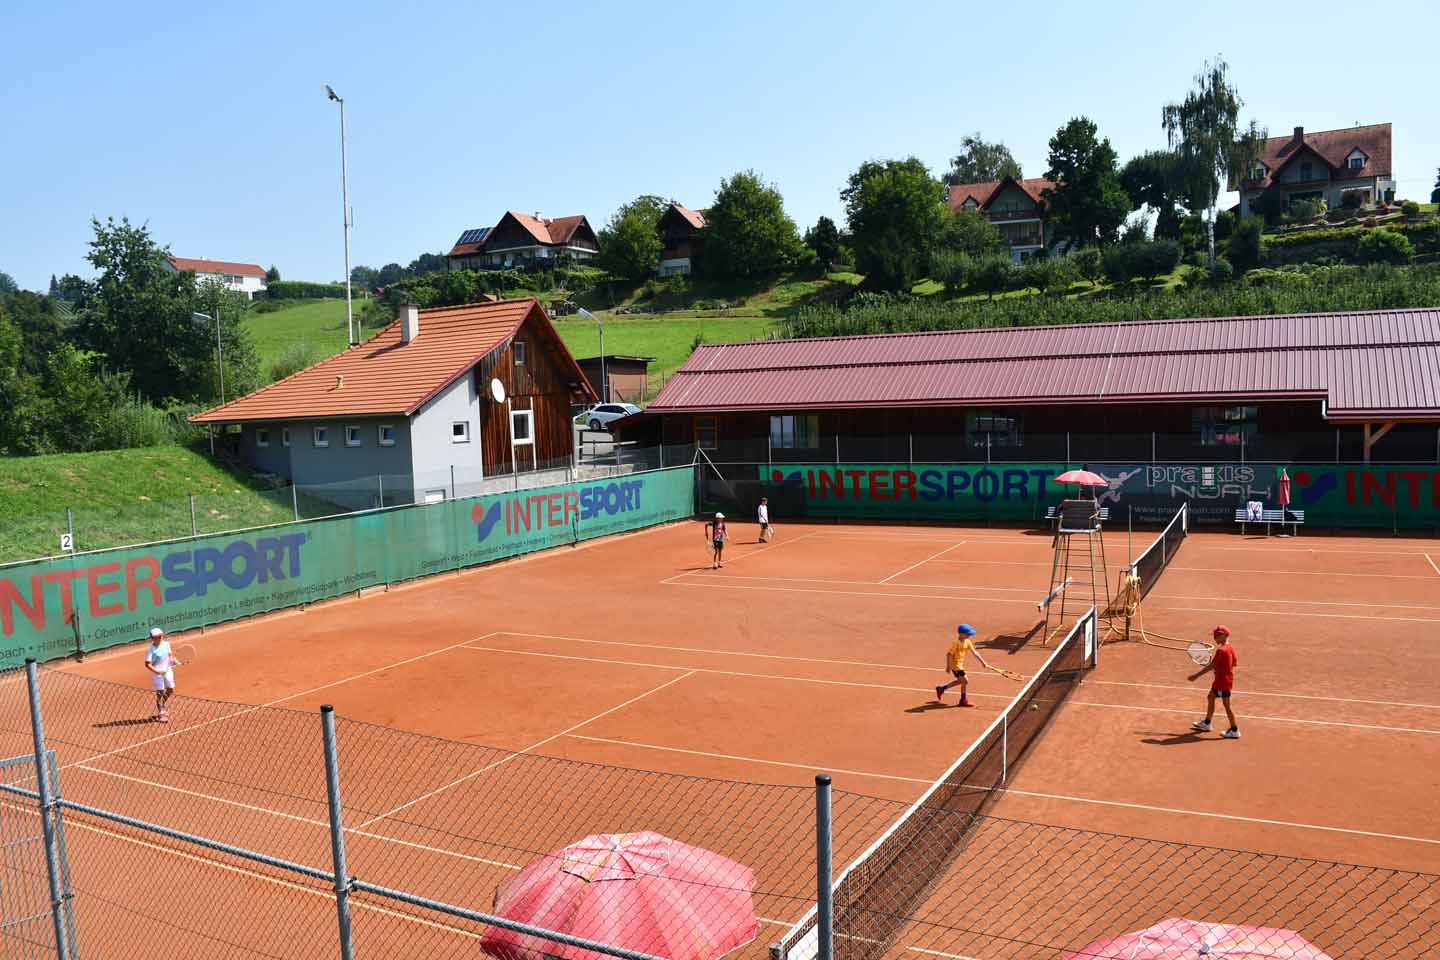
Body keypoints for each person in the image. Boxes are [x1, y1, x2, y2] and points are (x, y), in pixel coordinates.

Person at [1189, 625, 1240, 739]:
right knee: (1211, 697)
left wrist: (1195, 676)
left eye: (1216, 636)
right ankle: (1207, 723)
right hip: (1224, 680)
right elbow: (1234, 664)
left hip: (1222, 682)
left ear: (1223, 636)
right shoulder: (1230, 648)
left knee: (1227, 706)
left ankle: (1234, 730)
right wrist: (1221, 669)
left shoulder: (1221, 650)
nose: (1214, 638)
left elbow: (1211, 666)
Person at [935, 624, 979, 708]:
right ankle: (963, 700)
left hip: (960, 665)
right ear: (961, 634)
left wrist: (983, 662)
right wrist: (948, 667)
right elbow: (949, 654)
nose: (969, 635)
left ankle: (941, 688)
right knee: (965, 681)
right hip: (955, 666)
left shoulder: (967, 641)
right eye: (968, 634)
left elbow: (975, 652)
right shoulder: (956, 643)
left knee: (960, 681)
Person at [144, 627, 180, 723]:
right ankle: (161, 713)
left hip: (168, 671)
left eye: (161, 636)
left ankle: (162, 705)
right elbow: (147, 664)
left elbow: (170, 656)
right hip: (157, 674)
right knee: (160, 693)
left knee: (170, 690)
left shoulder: (166, 644)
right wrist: (157, 671)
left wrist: (174, 660)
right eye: (157, 637)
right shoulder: (151, 649)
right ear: (152, 638)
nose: (160, 638)